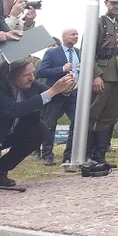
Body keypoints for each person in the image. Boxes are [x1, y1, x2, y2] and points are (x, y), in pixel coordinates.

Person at [0, 59, 75, 189]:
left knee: (40, 129)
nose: (31, 78)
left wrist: (65, 88)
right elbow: (13, 110)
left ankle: (1, 170)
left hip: (7, 134)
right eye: (26, 75)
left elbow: (55, 97)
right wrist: (52, 91)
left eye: (32, 73)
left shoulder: (31, 84)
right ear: (9, 75)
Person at [87, 0, 118, 168]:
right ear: (106, 3)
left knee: (110, 115)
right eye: (114, 3)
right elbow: (87, 50)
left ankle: (99, 157)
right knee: (94, 114)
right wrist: (95, 75)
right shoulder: (98, 23)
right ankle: (88, 156)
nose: (117, 6)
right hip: (103, 74)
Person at [36, 28, 81, 165]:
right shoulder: (52, 53)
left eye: (77, 34)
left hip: (73, 92)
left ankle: (69, 154)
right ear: (64, 37)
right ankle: (47, 155)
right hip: (56, 92)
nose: (76, 36)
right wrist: (62, 69)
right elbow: (41, 72)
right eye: (73, 34)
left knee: (77, 122)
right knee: (50, 123)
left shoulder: (80, 52)